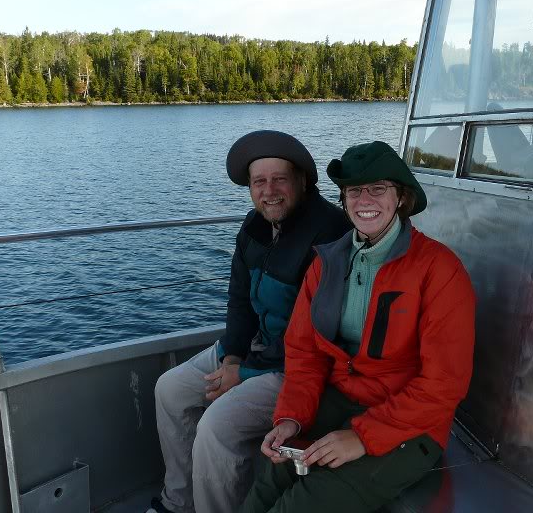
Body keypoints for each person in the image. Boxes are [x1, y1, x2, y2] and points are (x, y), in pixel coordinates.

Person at [240, 141, 476, 513]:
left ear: (401, 197)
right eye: (354, 190)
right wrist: (290, 419)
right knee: (267, 482)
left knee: (306, 502)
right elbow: (304, 353)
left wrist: (362, 437)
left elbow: (444, 384)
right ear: (345, 200)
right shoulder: (327, 263)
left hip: (413, 424)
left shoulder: (440, 270)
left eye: (378, 189)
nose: (365, 199)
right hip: (339, 400)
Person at [150, 130, 350, 513]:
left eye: (280, 180)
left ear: (302, 182)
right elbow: (239, 300)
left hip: (294, 366)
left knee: (216, 429)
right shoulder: (254, 227)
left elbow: (314, 334)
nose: (269, 191)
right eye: (259, 182)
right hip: (252, 352)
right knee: (169, 389)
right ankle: (178, 502)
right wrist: (232, 359)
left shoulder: (329, 234)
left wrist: (242, 375)